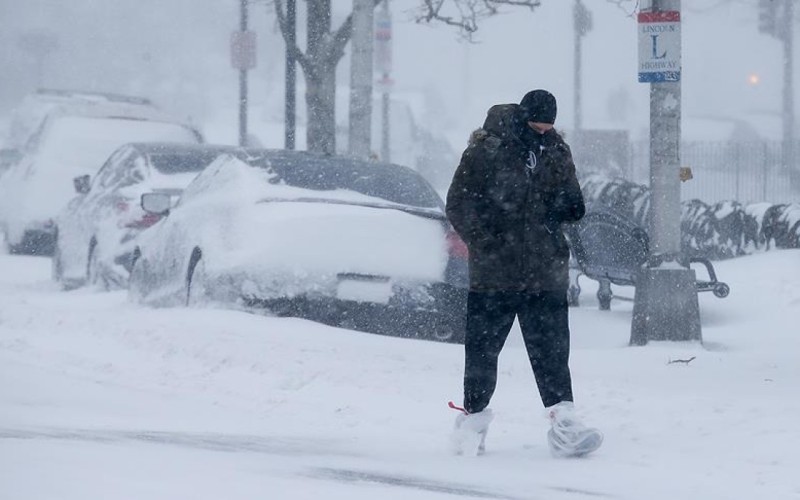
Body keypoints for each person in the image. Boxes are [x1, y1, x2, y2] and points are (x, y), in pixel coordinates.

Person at [445, 89, 602, 457]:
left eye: (549, 128)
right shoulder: (487, 150)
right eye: (537, 126)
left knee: (552, 352)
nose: (544, 133)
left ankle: (566, 426)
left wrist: (565, 208)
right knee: (483, 352)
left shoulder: (557, 151)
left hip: (544, 271)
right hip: (494, 273)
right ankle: (471, 424)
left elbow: (572, 201)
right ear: (522, 118)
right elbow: (458, 201)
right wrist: (487, 240)